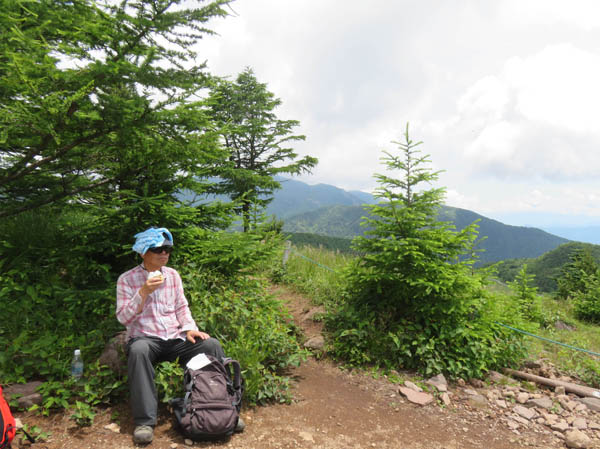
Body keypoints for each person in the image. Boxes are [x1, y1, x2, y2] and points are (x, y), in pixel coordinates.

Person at [116, 227, 244, 444]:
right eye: (158, 249)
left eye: (168, 249)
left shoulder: (173, 275)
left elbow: (181, 307)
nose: (164, 253)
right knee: (138, 351)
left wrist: (189, 328)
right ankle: (145, 421)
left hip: (175, 338)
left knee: (210, 345)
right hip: (146, 338)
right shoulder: (127, 279)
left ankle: (221, 408)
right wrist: (143, 292)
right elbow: (123, 318)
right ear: (143, 252)